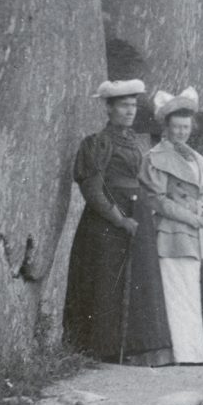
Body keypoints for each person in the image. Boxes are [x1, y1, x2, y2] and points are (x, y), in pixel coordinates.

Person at [60, 79, 173, 365]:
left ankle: (132, 348)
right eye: (123, 106)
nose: (129, 111)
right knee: (106, 283)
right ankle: (102, 349)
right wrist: (120, 220)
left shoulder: (133, 142)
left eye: (133, 106)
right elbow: (92, 191)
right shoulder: (98, 143)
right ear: (109, 109)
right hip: (106, 226)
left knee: (137, 281)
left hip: (137, 220)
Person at [145, 87, 203, 366]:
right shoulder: (155, 158)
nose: (182, 132)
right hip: (173, 233)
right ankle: (184, 352)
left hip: (198, 233)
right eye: (177, 127)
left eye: (186, 127)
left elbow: (201, 192)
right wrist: (188, 217)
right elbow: (157, 201)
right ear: (167, 128)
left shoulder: (197, 159)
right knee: (180, 292)